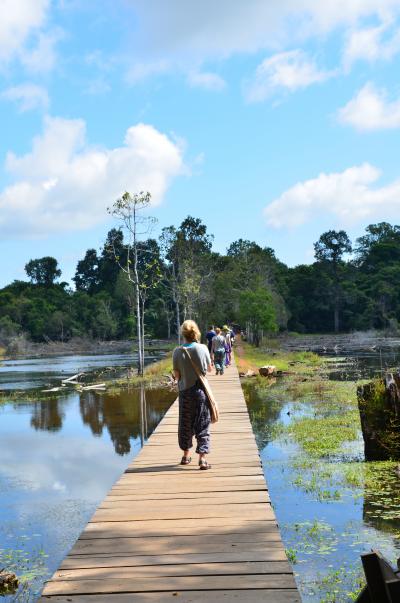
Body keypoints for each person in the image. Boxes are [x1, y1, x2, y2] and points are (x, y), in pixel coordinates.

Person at [172, 320, 212, 470]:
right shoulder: (202, 348)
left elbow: (177, 376)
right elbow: (208, 369)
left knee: (185, 424)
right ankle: (202, 459)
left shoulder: (177, 351)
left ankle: (185, 456)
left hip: (185, 393)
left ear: (183, 333)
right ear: (196, 332)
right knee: (202, 423)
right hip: (200, 391)